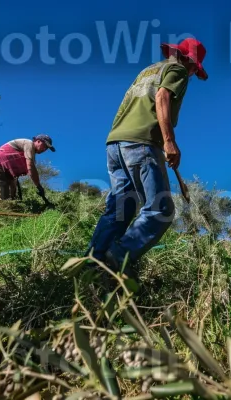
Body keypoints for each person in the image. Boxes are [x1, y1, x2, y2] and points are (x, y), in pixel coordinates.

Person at [86, 37, 208, 285]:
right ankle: (115, 259)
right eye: (195, 67)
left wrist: (125, 141)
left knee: (120, 209)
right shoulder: (178, 70)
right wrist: (168, 141)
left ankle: (92, 267)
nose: (194, 73)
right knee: (160, 210)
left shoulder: (148, 70)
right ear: (188, 60)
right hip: (141, 143)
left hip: (116, 142)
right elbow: (162, 97)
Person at [0, 134, 55, 211]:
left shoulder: (31, 156)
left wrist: (13, 195)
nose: (44, 149)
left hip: (5, 173)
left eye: (46, 148)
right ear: (38, 141)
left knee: (5, 202)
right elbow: (31, 168)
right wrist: (39, 186)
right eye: (44, 146)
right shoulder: (29, 144)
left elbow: (13, 177)